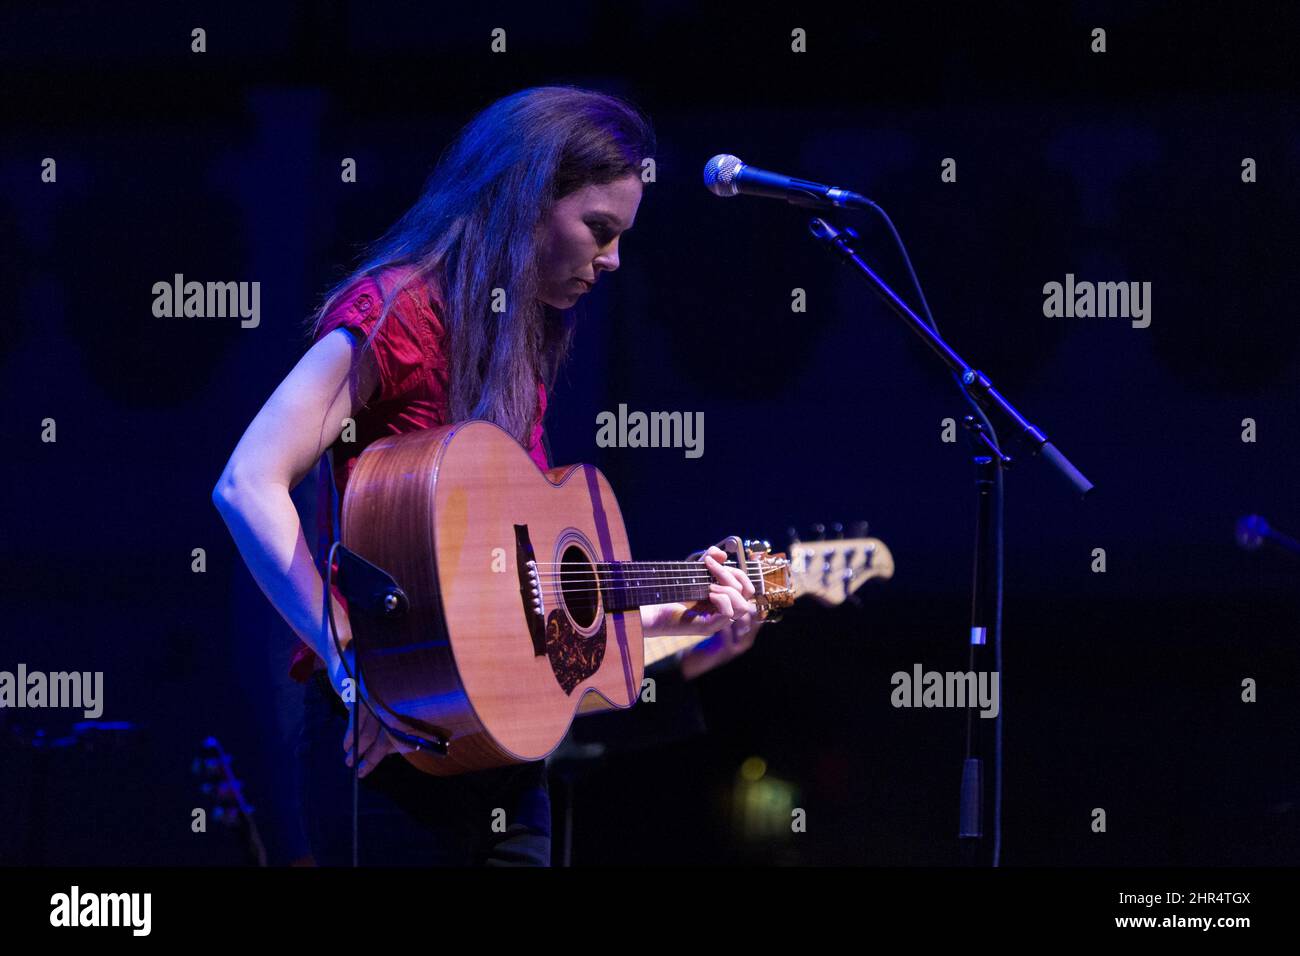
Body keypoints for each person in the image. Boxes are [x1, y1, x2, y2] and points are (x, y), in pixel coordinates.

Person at [211, 86, 761, 866]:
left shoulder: (522, 342)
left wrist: (685, 619)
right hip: (390, 749)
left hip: (503, 761)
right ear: (528, 199)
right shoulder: (396, 309)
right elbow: (246, 482)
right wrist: (344, 658)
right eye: (599, 231)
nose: (611, 261)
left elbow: (527, 608)